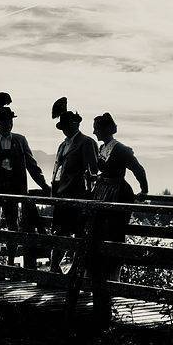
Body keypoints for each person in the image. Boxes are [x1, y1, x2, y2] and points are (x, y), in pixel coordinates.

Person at [0, 92, 51, 267]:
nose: (8, 123)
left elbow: (32, 165)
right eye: (5, 120)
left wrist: (44, 186)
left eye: (10, 120)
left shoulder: (20, 140)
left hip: (13, 192)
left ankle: (11, 263)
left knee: (13, 227)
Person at [90, 112, 148, 281]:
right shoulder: (102, 148)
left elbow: (138, 169)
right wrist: (96, 178)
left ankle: (113, 277)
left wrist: (144, 190)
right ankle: (99, 276)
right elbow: (106, 171)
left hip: (118, 194)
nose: (94, 133)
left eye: (96, 129)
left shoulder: (121, 150)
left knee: (114, 234)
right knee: (99, 233)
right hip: (102, 193)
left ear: (106, 130)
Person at [49, 97, 99, 273]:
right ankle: (54, 269)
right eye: (63, 126)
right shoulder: (62, 145)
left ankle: (76, 271)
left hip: (78, 196)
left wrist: (89, 194)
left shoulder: (86, 142)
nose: (66, 129)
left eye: (69, 124)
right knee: (60, 233)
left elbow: (93, 171)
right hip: (62, 196)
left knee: (78, 234)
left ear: (76, 124)